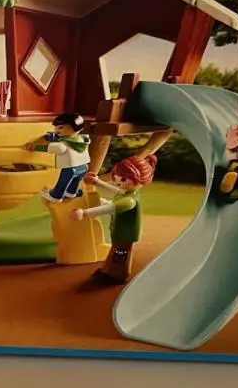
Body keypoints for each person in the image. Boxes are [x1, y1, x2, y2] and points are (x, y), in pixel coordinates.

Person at [73, 152, 157, 285]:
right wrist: (97, 182)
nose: (118, 182)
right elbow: (117, 192)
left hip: (126, 233)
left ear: (139, 181)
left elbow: (111, 208)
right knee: (115, 251)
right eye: (116, 177)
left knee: (120, 254)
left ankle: (117, 275)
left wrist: (85, 213)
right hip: (121, 231)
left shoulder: (129, 200)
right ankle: (107, 270)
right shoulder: (127, 193)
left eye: (123, 179)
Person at [26, 112, 91, 201]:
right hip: (84, 166)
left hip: (70, 168)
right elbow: (66, 138)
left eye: (60, 127)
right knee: (75, 181)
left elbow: (53, 148)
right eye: (55, 128)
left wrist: (35, 147)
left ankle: (55, 196)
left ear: (75, 128)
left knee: (62, 183)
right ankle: (71, 193)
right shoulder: (82, 139)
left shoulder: (63, 144)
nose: (56, 130)